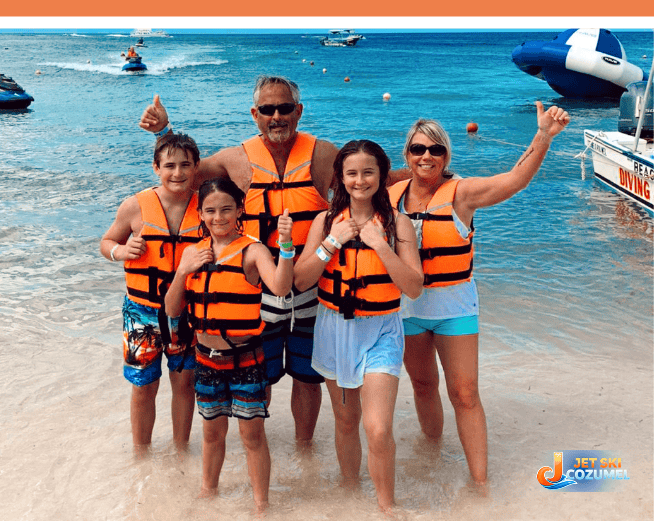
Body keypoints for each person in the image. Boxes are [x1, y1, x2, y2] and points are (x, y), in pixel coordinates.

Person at [140, 76, 339, 445]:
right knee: (256, 375)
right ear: (255, 114)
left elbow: (371, 179)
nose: (276, 116)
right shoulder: (237, 158)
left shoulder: (322, 154)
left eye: (284, 108)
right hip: (256, 288)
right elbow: (182, 175)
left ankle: (303, 451)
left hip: (312, 286)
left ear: (299, 111)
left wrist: (434, 179)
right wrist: (164, 131)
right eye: (267, 109)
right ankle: (256, 446)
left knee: (307, 376)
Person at [387, 101, 570, 486]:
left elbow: (514, 180)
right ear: (406, 154)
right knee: (422, 386)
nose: (426, 156)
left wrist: (543, 136)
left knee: (465, 394)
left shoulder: (462, 193)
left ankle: (480, 484)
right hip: (406, 310)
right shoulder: (390, 196)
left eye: (436, 149)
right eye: (418, 149)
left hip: (455, 307)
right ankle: (432, 453)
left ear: (446, 156)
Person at [294, 140, 423, 512]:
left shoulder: (397, 223)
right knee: (346, 421)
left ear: (382, 176)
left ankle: (387, 507)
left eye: (369, 172)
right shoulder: (323, 222)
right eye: (351, 173)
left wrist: (381, 247)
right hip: (335, 329)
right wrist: (331, 243)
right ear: (340, 178)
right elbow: (301, 281)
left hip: (382, 329)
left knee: (378, 428)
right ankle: (350, 496)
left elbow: (413, 286)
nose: (360, 180)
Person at [164, 178, 294, 513]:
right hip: (206, 359)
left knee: (252, 436)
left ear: (239, 210)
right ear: (201, 213)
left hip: (245, 358)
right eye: (210, 210)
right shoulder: (193, 252)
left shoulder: (253, 251)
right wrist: (182, 272)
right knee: (211, 433)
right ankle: (209, 492)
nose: (218, 216)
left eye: (226, 209)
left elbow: (280, 286)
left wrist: (286, 245)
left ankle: (261, 504)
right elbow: (172, 309)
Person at [100, 133, 201, 452]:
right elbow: (105, 243)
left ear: (197, 167)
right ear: (156, 167)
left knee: (185, 383)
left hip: (186, 313)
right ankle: (141, 453)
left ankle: (180, 450)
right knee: (143, 386)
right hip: (141, 312)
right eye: (169, 165)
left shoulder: (206, 206)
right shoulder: (135, 206)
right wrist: (121, 251)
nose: (178, 173)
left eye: (186, 165)